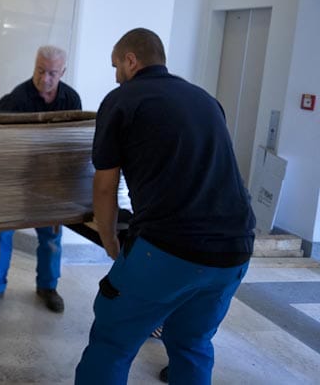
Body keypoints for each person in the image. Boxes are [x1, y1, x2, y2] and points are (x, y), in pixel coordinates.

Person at [75, 28, 255, 385]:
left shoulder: (123, 100)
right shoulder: (205, 99)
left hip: (168, 248)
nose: (115, 76)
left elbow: (105, 185)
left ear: (131, 60)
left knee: (112, 342)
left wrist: (109, 240)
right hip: (235, 250)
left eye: (116, 66)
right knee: (192, 343)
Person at [0, 45, 81, 314]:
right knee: (1, 237)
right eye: (40, 70)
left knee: (51, 238)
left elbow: (74, 148)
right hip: (15, 182)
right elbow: (1, 148)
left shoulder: (71, 99)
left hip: (51, 184)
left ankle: (48, 287)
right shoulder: (15, 100)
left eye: (52, 73)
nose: (45, 78)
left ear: (63, 72)